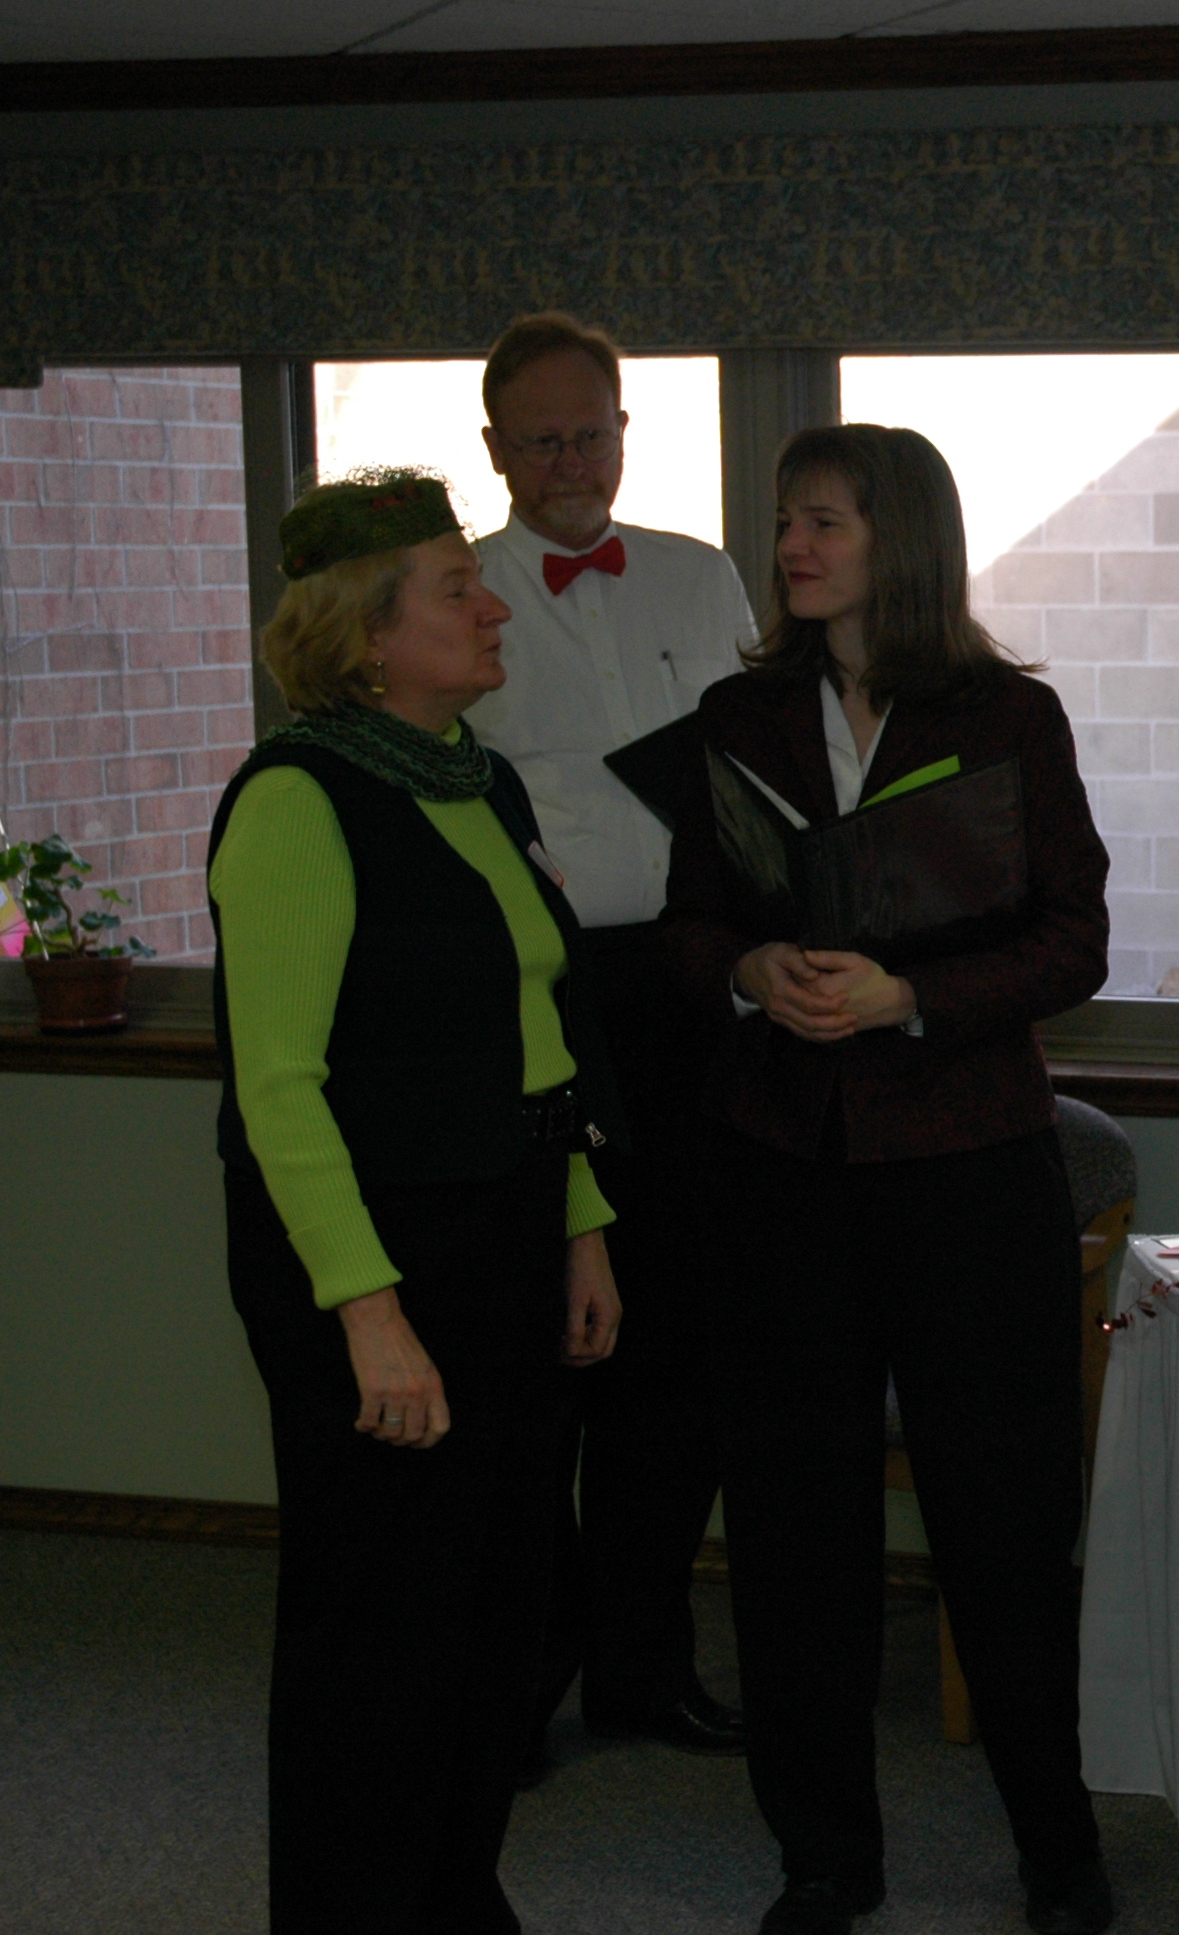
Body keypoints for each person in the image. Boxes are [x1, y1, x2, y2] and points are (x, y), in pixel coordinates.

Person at [661, 424, 1114, 1935]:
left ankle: (1060, 1852)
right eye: (787, 520)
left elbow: (1074, 941)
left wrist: (908, 996)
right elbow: (685, 926)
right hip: (779, 1174)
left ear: (898, 540)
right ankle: (824, 1859)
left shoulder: (1007, 716)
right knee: (794, 1534)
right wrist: (751, 972)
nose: (792, 546)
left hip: (969, 1167)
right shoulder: (735, 714)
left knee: (1005, 1524)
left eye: (825, 522)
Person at [209, 468, 624, 1932]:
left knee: (495, 1610)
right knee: (378, 1630)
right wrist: (369, 1314)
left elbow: (537, 1030)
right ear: (368, 634)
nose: (493, 605)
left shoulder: (473, 779)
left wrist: (580, 1224)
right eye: (459, 588)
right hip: (372, 1262)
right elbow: (278, 1090)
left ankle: (451, 1898)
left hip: (505, 1231)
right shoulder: (297, 800)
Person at [466, 311, 757, 1769]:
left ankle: (646, 1663)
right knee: (541, 1359)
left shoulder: (706, 577)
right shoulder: (460, 600)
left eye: (592, 433)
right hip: (538, 1001)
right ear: (496, 450)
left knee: (677, 1351)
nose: (572, 461)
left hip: (693, 992)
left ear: (626, 432)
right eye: (543, 440)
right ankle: (521, 1676)